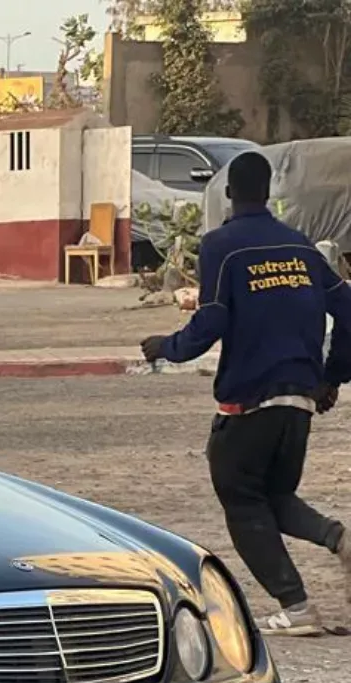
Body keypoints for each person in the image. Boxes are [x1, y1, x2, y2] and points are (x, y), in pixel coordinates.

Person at [143, 151, 351, 635]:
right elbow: (348, 309)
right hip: (299, 400)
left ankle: (297, 608)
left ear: (231, 195)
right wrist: (331, 377)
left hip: (251, 399)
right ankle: (339, 540)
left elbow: (212, 318)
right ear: (270, 194)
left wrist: (166, 348)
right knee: (274, 494)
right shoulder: (302, 248)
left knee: (239, 496)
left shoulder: (222, 246)